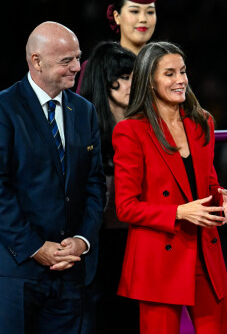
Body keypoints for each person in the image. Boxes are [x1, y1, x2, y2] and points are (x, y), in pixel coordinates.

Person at [112, 41, 227, 334]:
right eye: (169, 74)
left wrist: (224, 197)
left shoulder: (201, 122)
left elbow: (208, 183)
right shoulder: (130, 131)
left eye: (182, 71)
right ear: (149, 81)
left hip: (205, 256)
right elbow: (125, 207)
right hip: (159, 262)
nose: (180, 80)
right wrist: (179, 212)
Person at [0, 21, 105, 332]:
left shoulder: (85, 110)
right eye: (66, 61)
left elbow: (95, 183)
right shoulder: (4, 108)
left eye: (78, 57)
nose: (77, 66)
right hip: (17, 271)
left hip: (71, 272)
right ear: (36, 61)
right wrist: (36, 247)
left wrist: (82, 241)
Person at [79, 41, 138, 333]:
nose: (132, 84)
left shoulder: (147, 126)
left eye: (133, 76)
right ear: (105, 81)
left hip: (139, 242)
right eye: (124, 77)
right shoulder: (82, 128)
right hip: (97, 247)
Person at [75, 0, 157, 92]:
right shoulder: (97, 67)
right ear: (117, 16)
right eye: (134, 11)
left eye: (150, 12)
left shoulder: (166, 66)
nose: (143, 19)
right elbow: (84, 109)